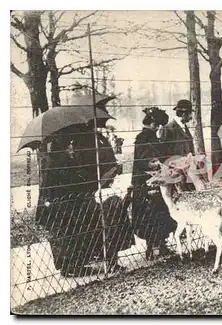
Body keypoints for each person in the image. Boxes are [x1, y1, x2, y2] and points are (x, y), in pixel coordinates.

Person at [36, 124, 133, 277]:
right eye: (69, 145)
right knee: (67, 234)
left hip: (68, 203)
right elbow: (57, 185)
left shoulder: (60, 159)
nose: (72, 147)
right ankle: (71, 267)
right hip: (60, 205)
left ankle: (76, 265)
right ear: (63, 145)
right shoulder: (56, 161)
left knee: (75, 231)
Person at [131, 108, 176, 260]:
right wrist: (155, 164)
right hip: (147, 185)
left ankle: (160, 245)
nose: (158, 128)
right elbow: (143, 162)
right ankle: (153, 248)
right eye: (156, 125)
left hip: (154, 182)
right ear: (151, 123)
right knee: (151, 215)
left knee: (158, 214)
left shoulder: (149, 137)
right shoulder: (144, 138)